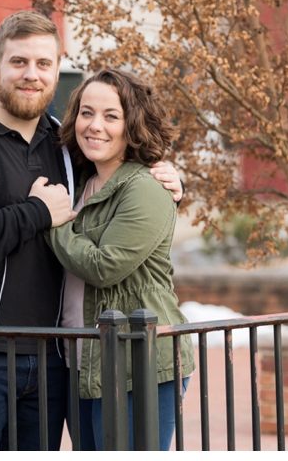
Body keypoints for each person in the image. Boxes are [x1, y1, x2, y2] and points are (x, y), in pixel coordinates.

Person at [0, 11, 182, 450]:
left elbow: (122, 167)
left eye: (43, 64)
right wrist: (37, 212)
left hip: (50, 358)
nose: (31, 75)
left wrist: (167, 177)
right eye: (19, 62)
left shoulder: (66, 144)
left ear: (56, 70)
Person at [46, 68, 196, 451]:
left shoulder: (145, 187)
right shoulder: (81, 179)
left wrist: (49, 221)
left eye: (111, 116)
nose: (95, 126)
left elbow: (104, 267)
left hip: (137, 363)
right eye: (86, 112)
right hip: (85, 359)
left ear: (133, 125)